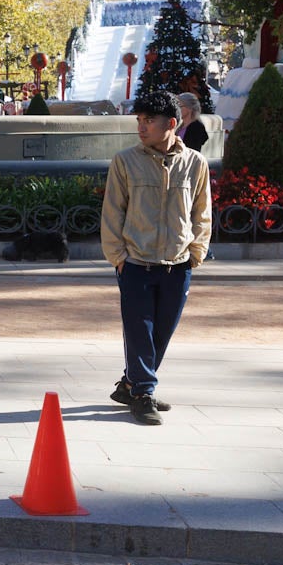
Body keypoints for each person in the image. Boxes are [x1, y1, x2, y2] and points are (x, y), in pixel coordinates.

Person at [101, 90, 211, 425]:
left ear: (172, 124)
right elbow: (112, 212)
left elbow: (202, 212)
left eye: (149, 120)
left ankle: (130, 384)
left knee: (161, 333)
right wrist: (117, 256)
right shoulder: (125, 161)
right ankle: (143, 393)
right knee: (139, 331)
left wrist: (196, 252)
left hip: (178, 266)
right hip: (135, 264)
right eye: (139, 120)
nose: (142, 126)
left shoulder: (195, 163)